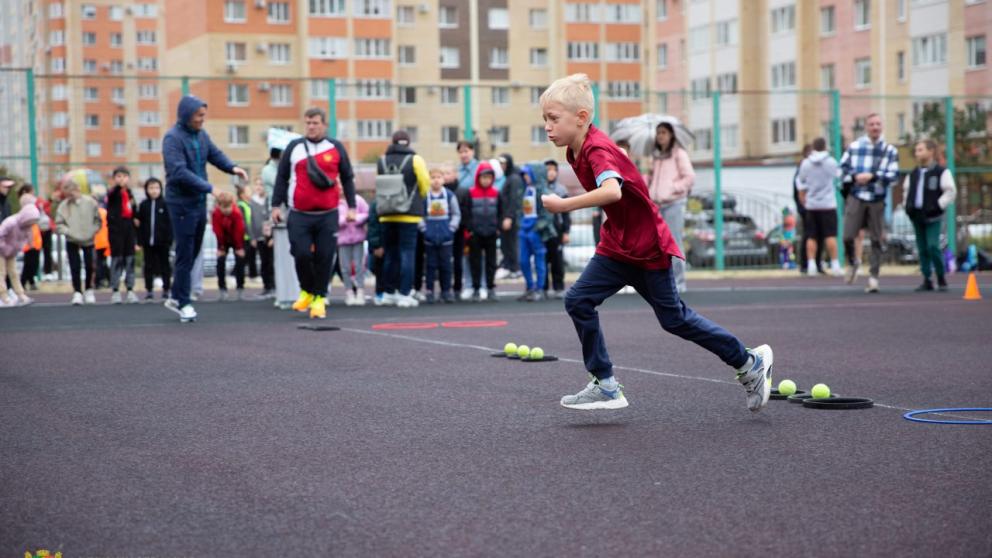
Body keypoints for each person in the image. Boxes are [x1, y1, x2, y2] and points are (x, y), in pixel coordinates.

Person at [538, 74, 773, 412]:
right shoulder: (576, 151)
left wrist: (563, 205)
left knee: (674, 319)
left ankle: (749, 362)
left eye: (553, 118)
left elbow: (612, 191)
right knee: (578, 300)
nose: (547, 126)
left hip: (647, 247)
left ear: (582, 118)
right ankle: (605, 385)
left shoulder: (597, 148)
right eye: (545, 119)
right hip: (618, 246)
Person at [162, 95, 248, 322]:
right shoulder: (172, 139)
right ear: (187, 114)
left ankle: (175, 295)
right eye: (199, 115)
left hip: (198, 203)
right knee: (184, 252)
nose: (202, 119)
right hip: (180, 203)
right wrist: (211, 188)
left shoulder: (201, 135)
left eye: (203, 115)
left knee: (192, 252)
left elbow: (214, 154)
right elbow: (179, 172)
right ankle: (184, 302)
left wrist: (233, 168)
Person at [272, 107, 357, 320]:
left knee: (325, 257)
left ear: (324, 125)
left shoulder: (336, 147)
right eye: (308, 123)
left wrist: (352, 207)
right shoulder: (294, 147)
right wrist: (275, 206)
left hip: (328, 214)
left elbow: (347, 178)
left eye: (315, 123)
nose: (311, 127)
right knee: (300, 253)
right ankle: (307, 291)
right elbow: (281, 178)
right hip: (299, 213)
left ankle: (319, 298)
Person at [839, 113, 899, 293]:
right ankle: (853, 262)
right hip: (857, 196)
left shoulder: (890, 151)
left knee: (876, 239)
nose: (875, 127)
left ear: (882, 127)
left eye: (878, 124)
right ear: (866, 127)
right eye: (872, 124)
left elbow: (894, 176)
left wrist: (873, 177)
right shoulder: (855, 147)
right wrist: (854, 177)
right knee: (848, 235)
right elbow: (841, 170)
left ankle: (873, 277)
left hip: (877, 198)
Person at [376, 130, 430, 308]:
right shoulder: (415, 160)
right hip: (408, 214)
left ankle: (389, 293)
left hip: (386, 214)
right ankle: (405, 293)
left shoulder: (382, 160)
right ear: (408, 142)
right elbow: (424, 184)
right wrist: (418, 199)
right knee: (407, 253)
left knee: (390, 254)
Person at [902, 139, 956, 292]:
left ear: (931, 151)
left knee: (933, 246)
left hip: (933, 215)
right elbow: (907, 192)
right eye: (917, 150)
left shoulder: (941, 172)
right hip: (917, 215)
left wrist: (938, 205)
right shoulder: (913, 174)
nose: (917, 153)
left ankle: (940, 276)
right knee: (922, 248)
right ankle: (927, 278)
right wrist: (908, 206)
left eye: (921, 149)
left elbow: (950, 191)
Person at [648, 122, 695, 293]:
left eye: (664, 132)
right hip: (657, 206)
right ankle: (663, 281)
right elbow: (653, 179)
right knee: (657, 245)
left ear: (671, 135)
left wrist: (673, 188)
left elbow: (689, 177)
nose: (660, 136)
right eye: (658, 132)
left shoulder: (679, 154)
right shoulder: (656, 156)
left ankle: (679, 282)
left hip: (674, 204)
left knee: (674, 242)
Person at [796, 138, 842, 277]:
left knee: (811, 236)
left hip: (812, 205)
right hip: (828, 204)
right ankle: (835, 265)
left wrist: (803, 196)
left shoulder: (806, 163)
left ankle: (811, 265)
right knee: (830, 235)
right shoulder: (831, 162)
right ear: (825, 146)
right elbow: (840, 176)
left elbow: (801, 180)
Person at [463, 162, 505, 302]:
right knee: (475, 262)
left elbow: (500, 212)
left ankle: (490, 288)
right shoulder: (471, 193)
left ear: (492, 178)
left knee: (491, 262)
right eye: (483, 177)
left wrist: (498, 227)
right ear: (478, 178)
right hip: (475, 234)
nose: (486, 180)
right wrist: (470, 230)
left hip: (491, 233)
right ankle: (476, 288)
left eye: (489, 177)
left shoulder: (496, 193)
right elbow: (466, 213)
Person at [56, 180, 101, 305]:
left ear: (77, 190)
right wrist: (69, 232)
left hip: (88, 239)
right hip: (72, 240)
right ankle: (77, 292)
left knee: (90, 265)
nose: (70, 197)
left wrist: (93, 231)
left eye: (71, 193)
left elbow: (98, 220)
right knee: (74, 266)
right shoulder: (64, 205)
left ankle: (89, 289)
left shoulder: (90, 202)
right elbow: (59, 224)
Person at [420, 166, 461, 304]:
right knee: (430, 266)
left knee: (446, 266)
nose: (436, 181)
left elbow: (456, 214)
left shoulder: (449, 196)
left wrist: (451, 229)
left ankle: (446, 291)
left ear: (443, 179)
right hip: (430, 238)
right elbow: (420, 216)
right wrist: (424, 230)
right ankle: (430, 291)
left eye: (439, 177)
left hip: (446, 238)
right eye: (433, 178)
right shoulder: (425, 196)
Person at [515, 164, 556, 302]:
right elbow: (519, 210)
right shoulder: (524, 190)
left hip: (536, 231)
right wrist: (520, 225)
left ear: (535, 174)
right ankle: (530, 287)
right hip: (524, 230)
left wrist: (537, 228)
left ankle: (540, 289)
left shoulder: (543, 191)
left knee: (539, 260)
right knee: (523, 260)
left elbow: (548, 214)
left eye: (528, 174)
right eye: (524, 175)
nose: (525, 177)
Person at [0, 191, 40, 307]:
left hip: (11, 252)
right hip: (1, 251)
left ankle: (20, 294)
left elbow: (27, 238)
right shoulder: (11, 223)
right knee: (1, 273)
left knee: (14, 273)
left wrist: (21, 247)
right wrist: (3, 247)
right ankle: (3, 296)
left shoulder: (26, 227)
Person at [106, 167, 139, 304]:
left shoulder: (130, 194)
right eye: (118, 176)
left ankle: (130, 289)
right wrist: (118, 188)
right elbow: (111, 198)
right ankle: (115, 290)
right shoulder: (113, 193)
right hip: (116, 231)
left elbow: (134, 209)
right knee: (117, 260)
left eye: (124, 176)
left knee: (130, 260)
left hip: (129, 230)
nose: (122, 179)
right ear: (114, 179)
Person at [136, 177, 172, 300]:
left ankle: (166, 289)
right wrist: (139, 241)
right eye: (151, 188)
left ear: (161, 189)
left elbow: (170, 224)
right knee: (148, 265)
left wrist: (169, 239)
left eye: (156, 188)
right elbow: (140, 224)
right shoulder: (143, 205)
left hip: (163, 242)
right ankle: (149, 290)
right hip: (148, 242)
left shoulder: (166, 204)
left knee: (165, 265)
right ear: (146, 189)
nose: (154, 191)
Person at [337, 183, 370, 306]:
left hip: (358, 238)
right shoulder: (335, 203)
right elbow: (333, 220)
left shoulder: (358, 200)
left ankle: (360, 291)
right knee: (345, 267)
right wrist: (345, 219)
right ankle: (349, 292)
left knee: (359, 266)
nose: (340, 189)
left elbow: (367, 214)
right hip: (343, 240)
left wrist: (355, 218)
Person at [211, 191, 246, 300]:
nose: (226, 210)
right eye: (223, 207)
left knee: (240, 261)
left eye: (228, 207)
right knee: (220, 261)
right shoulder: (216, 214)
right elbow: (217, 231)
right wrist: (221, 247)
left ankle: (240, 287)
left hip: (236, 239)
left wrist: (239, 247)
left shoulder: (236, 213)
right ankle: (222, 288)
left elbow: (239, 230)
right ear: (219, 206)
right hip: (223, 240)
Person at [543, 160, 570, 299]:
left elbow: (566, 214)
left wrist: (566, 232)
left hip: (557, 228)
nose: (551, 172)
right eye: (548, 169)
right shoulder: (539, 189)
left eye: (553, 169)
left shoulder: (561, 190)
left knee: (557, 259)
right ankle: (543, 287)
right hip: (542, 230)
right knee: (543, 258)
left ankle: (558, 287)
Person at [496, 153, 522, 280]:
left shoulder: (514, 178)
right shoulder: (509, 177)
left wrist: (509, 217)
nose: (502, 166)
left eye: (504, 163)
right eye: (500, 163)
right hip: (506, 217)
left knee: (511, 244)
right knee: (506, 244)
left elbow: (513, 200)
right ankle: (510, 267)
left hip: (510, 218)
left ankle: (515, 268)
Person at [249, 178, 274, 298]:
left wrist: (273, 236)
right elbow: (251, 221)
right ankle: (267, 287)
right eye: (257, 185)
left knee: (272, 261)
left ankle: (275, 286)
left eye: (262, 185)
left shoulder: (269, 200)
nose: (259, 187)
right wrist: (253, 237)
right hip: (259, 236)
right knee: (264, 262)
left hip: (270, 237)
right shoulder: (252, 202)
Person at [17, 185, 42, 291]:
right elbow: (27, 227)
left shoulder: (32, 209)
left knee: (33, 264)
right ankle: (23, 283)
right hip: (30, 242)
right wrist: (30, 241)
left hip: (35, 240)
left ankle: (30, 282)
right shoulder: (26, 209)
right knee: (29, 264)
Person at [236, 185, 258, 281]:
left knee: (252, 257)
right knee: (243, 258)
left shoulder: (250, 205)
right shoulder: (241, 205)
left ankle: (253, 276)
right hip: (245, 237)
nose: (251, 192)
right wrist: (251, 236)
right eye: (248, 191)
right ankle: (234, 275)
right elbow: (244, 222)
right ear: (242, 195)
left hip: (250, 236)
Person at [367, 200, 387, 305]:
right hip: (380, 242)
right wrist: (376, 245)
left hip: (394, 243)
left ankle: (393, 291)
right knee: (379, 267)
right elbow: (373, 225)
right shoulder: (376, 204)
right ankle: (380, 293)